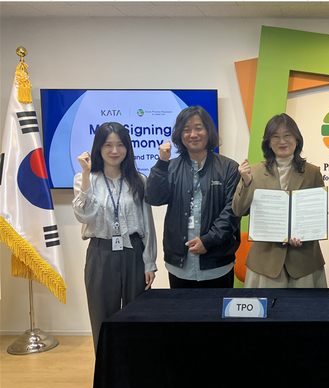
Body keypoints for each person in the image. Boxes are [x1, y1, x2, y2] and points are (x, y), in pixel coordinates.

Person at [72, 122, 157, 353]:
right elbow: (84, 215)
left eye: (120, 145)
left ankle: (134, 367)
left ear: (127, 148)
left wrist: (149, 262)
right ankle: (106, 368)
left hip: (133, 253)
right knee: (103, 318)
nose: (114, 150)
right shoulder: (85, 179)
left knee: (136, 317)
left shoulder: (138, 180)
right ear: (99, 147)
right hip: (101, 253)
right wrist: (87, 174)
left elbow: (147, 224)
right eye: (108, 145)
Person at [146, 106, 240, 288]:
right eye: (186, 129)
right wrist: (162, 163)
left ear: (208, 131)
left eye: (198, 128)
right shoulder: (170, 167)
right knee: (182, 308)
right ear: (180, 135)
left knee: (217, 307)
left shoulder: (229, 168)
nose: (193, 134)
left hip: (217, 261)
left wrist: (208, 240)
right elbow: (154, 198)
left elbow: (232, 212)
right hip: (180, 263)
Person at [233, 113, 326, 287]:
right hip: (265, 262)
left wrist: (305, 234)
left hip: (304, 261)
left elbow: (317, 215)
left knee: (304, 305)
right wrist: (246, 183)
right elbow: (239, 210)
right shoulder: (254, 172)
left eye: (287, 135)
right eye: (275, 137)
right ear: (268, 142)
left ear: (297, 139)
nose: (282, 141)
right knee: (266, 305)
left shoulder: (313, 172)